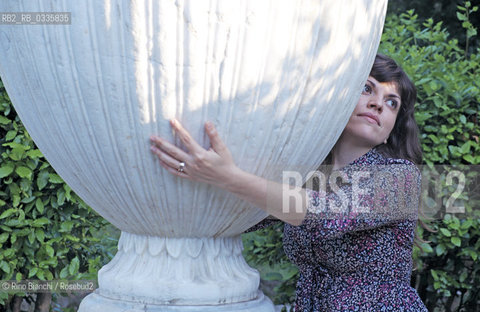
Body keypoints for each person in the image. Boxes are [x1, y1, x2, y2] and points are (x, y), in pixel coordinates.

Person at [149, 54, 428, 311]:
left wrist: (227, 175)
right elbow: (247, 216)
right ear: (338, 101)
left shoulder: (400, 178)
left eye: (392, 103)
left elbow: (326, 212)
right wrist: (200, 177)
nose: (378, 103)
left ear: (390, 131)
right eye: (367, 88)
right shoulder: (308, 178)